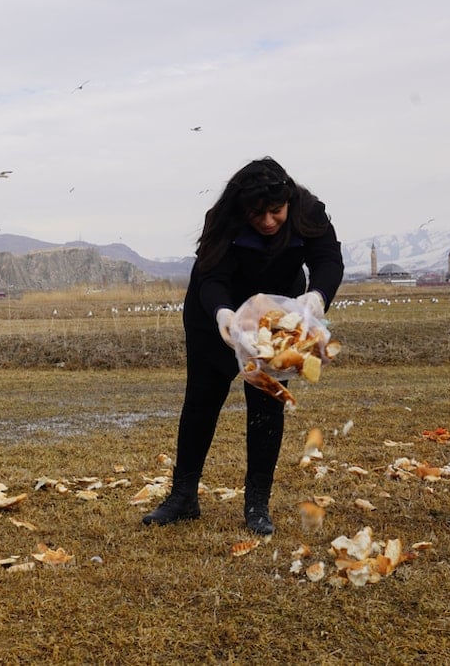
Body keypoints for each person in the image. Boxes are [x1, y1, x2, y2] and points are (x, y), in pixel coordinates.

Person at [143, 157, 344, 534]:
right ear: (241, 208)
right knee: (202, 399)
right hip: (216, 315)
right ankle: (183, 496)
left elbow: (328, 260)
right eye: (256, 214)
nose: (267, 222)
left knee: (267, 399)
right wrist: (223, 314)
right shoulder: (222, 218)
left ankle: (257, 505)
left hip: (277, 314)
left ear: (288, 202)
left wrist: (315, 298)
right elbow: (211, 276)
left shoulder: (310, 212)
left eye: (275, 212)